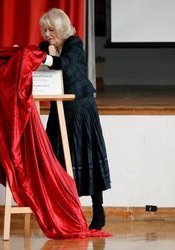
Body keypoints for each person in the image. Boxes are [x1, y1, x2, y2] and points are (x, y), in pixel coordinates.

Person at [39, 8, 111, 230]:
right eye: (45, 30)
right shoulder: (47, 47)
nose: (47, 34)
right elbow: (41, 60)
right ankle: (66, 212)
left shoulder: (74, 44)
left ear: (61, 28)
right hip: (58, 108)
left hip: (81, 109)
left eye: (51, 29)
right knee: (57, 160)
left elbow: (67, 65)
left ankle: (98, 211)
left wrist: (48, 56)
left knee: (87, 159)